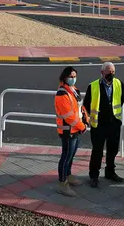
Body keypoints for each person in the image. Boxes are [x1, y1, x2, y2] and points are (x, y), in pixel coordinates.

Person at [83, 61, 124, 187]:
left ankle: (110, 172)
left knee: (112, 150)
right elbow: (86, 104)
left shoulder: (119, 83)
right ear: (102, 72)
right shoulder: (93, 86)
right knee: (97, 151)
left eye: (113, 72)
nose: (111, 74)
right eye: (109, 72)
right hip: (99, 125)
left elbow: (122, 98)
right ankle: (94, 175)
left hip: (114, 123)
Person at [54, 66, 87, 197]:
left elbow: (80, 108)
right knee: (66, 156)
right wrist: (81, 126)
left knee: (71, 155)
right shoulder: (62, 94)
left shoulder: (74, 90)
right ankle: (62, 184)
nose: (73, 79)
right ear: (65, 77)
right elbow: (69, 116)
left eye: (74, 76)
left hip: (76, 129)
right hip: (68, 131)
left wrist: (85, 119)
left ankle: (68, 176)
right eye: (71, 77)